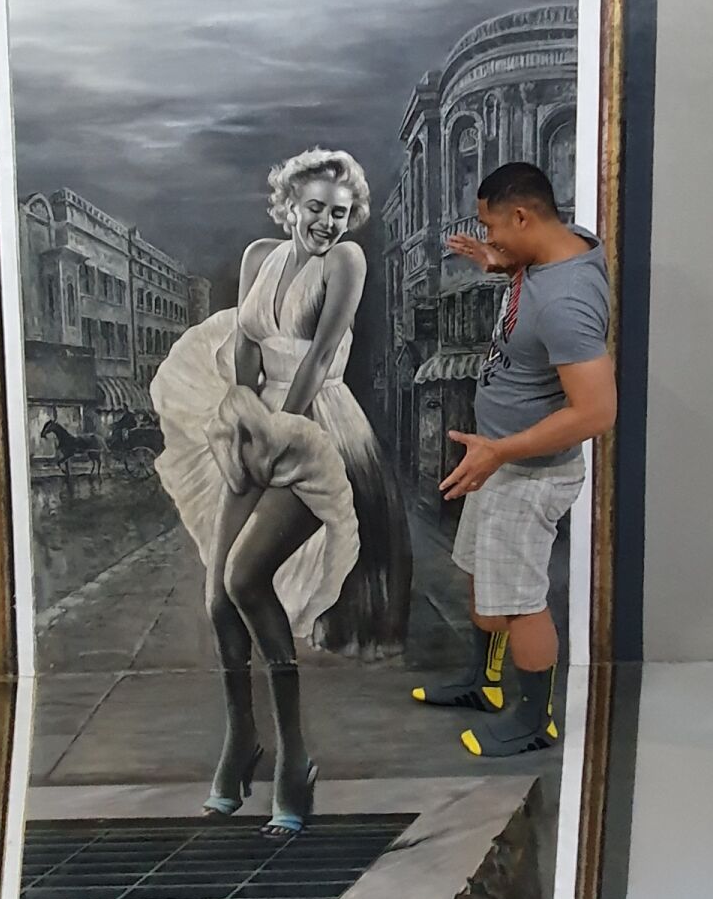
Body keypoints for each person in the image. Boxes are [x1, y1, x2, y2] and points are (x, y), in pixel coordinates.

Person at [152, 148, 410, 834]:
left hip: (318, 431)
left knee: (245, 577)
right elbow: (244, 343)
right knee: (218, 598)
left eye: (340, 211)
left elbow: (320, 357)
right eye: (315, 208)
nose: (328, 222)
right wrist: (243, 416)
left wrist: (278, 432)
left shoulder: (345, 261)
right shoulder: (259, 256)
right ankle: (242, 742)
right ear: (288, 206)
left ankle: (294, 757)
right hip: (259, 422)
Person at [411, 162, 616, 757]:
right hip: (501, 462)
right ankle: (485, 684)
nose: (489, 237)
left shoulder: (566, 301)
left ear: (523, 216)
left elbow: (596, 412)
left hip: (527, 473)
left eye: (493, 227)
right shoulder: (559, 248)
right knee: (487, 578)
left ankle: (533, 721)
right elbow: (531, 268)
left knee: (521, 600)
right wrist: (500, 262)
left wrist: (500, 450)